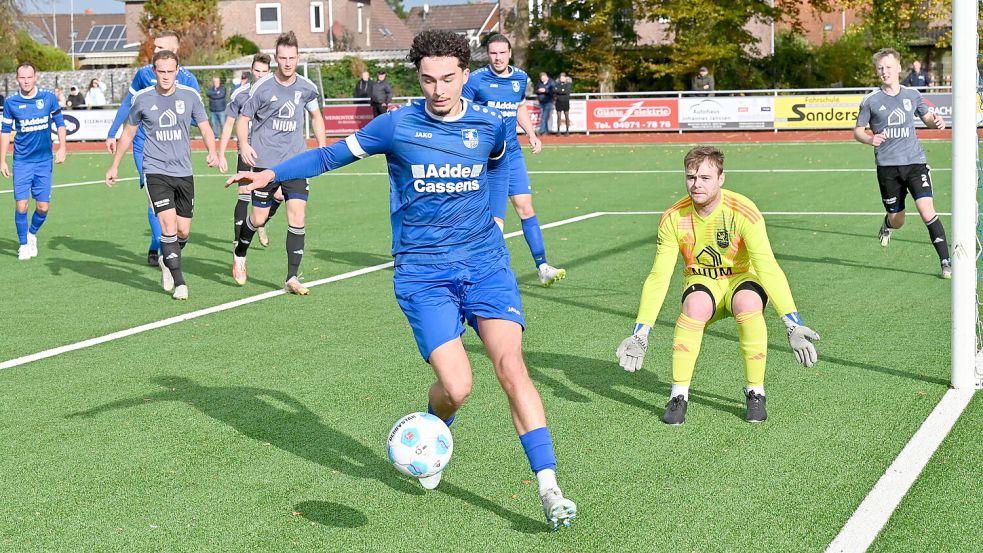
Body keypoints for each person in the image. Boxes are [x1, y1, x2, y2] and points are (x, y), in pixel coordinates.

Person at [227, 29, 578, 531]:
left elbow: (501, 165)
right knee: (457, 387)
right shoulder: (395, 126)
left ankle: (549, 487)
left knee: (511, 366)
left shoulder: (489, 124)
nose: (438, 89)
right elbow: (329, 155)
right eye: (429, 79)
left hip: (485, 264)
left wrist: (497, 219)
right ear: (418, 76)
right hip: (424, 273)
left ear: (465, 74)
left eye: (449, 78)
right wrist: (270, 174)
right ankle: (437, 427)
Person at [616, 146, 820, 425]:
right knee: (695, 306)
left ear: (721, 179)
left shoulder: (743, 212)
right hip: (703, 283)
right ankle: (678, 395)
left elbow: (767, 266)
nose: (696, 184)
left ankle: (755, 392)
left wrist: (791, 322)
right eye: (690, 177)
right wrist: (641, 332)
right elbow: (659, 276)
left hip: (741, 280)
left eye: (705, 177)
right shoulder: (674, 218)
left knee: (748, 303)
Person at [105, 50, 218, 300]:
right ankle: (179, 281)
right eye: (161, 71)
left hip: (183, 171)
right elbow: (129, 134)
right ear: (153, 72)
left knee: (183, 231)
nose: (166, 76)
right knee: (167, 226)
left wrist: (213, 152)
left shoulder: (190, 96)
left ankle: (169, 256)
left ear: (178, 71)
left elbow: (205, 127)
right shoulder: (143, 99)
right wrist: (114, 165)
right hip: (155, 170)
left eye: (170, 71)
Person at [462, 34, 566, 286]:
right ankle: (485, 270)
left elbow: (519, 108)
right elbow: (462, 113)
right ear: (487, 55)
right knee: (493, 217)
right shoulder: (475, 80)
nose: (497, 57)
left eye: (502, 53)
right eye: (492, 53)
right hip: (486, 158)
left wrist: (531, 134)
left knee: (526, 208)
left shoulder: (520, 78)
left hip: (513, 154)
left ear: (510, 53)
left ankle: (542, 266)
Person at [230, 31, 327, 295]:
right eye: (282, 58)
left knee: (298, 215)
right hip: (265, 165)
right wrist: (245, 144)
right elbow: (243, 119)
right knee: (259, 218)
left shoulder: (307, 88)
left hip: (297, 162)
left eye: (292, 58)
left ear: (298, 58)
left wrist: (321, 147)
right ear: (276, 58)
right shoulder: (261, 87)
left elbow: (317, 116)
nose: (287, 62)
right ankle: (240, 253)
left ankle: (292, 277)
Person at [106, 30, 201, 267]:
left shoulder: (188, 80)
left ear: (174, 51)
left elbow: (194, 116)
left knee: (175, 216)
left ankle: (158, 243)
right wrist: (112, 132)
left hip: (174, 152)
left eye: (160, 47)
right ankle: (159, 246)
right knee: (153, 199)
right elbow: (127, 105)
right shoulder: (143, 75)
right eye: (155, 47)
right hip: (144, 148)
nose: (155, 51)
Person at [854, 48, 950, 278]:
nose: (884, 72)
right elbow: (857, 131)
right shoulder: (870, 100)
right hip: (888, 168)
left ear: (898, 68)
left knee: (927, 210)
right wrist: (870, 138)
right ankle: (887, 224)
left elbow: (927, 118)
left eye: (888, 67)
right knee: (899, 220)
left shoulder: (912, 94)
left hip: (915, 162)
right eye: (880, 68)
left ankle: (946, 262)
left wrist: (934, 121)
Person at [0, 62, 67, 260]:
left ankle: (31, 234)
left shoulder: (48, 97)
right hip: (22, 161)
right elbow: (5, 132)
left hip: (44, 160)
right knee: (21, 205)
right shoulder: (11, 103)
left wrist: (63, 147)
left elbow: (60, 123)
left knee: (43, 208)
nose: (26, 81)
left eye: (29, 77)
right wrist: (2, 159)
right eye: (22, 77)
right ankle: (23, 245)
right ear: (17, 79)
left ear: (35, 77)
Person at [217, 53, 278, 249]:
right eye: (257, 70)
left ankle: (260, 223)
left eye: (264, 71)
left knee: (278, 195)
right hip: (246, 151)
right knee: (243, 194)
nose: (260, 75)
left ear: (269, 72)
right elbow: (228, 125)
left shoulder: (276, 92)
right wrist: (221, 154)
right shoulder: (240, 94)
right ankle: (237, 241)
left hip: (269, 152)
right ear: (251, 71)